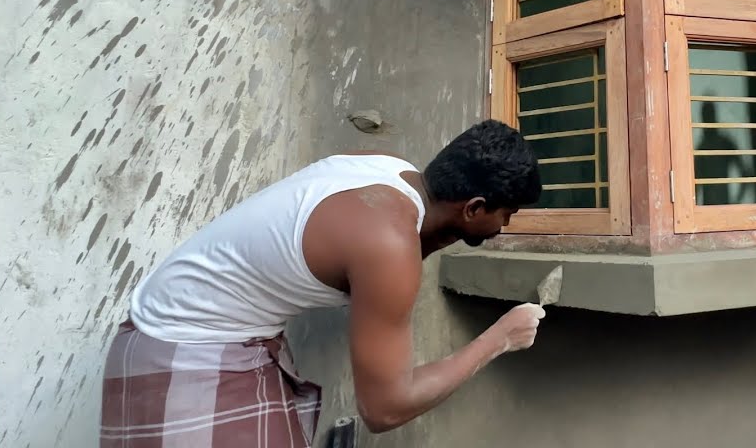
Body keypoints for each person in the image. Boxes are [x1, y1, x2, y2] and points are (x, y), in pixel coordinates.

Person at [100, 119, 546, 447]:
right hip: (183, 356)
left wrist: (449, 234)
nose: (504, 227)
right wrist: (499, 338)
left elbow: (380, 257)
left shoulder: (386, 171)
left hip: (175, 330)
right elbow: (385, 408)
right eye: (506, 215)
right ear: (473, 207)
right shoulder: (389, 246)